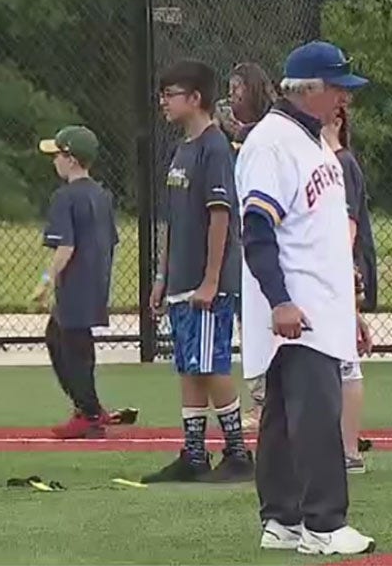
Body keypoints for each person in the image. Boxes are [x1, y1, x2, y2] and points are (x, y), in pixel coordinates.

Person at [239, 40, 374, 555]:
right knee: (317, 411)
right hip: (298, 305)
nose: (346, 99)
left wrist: (349, 309)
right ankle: (323, 524)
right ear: (310, 90)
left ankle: (283, 520)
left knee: (279, 414)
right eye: (339, 88)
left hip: (320, 303)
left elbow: (321, 234)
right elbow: (257, 229)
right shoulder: (273, 142)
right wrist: (279, 300)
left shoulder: (313, 141)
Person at [144, 60, 254, 484]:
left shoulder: (214, 148)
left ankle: (238, 453)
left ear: (195, 99)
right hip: (180, 281)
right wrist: (162, 276)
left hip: (207, 283)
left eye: (170, 94)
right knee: (190, 366)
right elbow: (173, 220)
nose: (163, 102)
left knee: (211, 364)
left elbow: (221, 216)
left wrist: (211, 279)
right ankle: (193, 454)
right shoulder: (182, 149)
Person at [32, 126, 119, 439]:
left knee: (69, 346)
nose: (54, 160)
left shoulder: (64, 197)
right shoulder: (102, 195)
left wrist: (46, 280)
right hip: (95, 281)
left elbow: (65, 246)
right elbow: (110, 241)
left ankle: (90, 412)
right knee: (66, 339)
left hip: (75, 283)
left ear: (70, 158)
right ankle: (88, 406)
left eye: (57, 154)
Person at [219, 61, 277, 430]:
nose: (231, 94)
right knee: (252, 323)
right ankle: (261, 396)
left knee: (262, 323)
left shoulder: (268, 132)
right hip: (246, 238)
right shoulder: (246, 135)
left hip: (264, 237)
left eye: (237, 87)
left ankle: (264, 401)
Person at [322, 107, 376, 473]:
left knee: (345, 362)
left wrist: (343, 278)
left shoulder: (341, 162)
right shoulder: (325, 161)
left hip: (341, 269)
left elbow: (347, 227)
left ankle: (347, 450)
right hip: (332, 272)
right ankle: (339, 446)